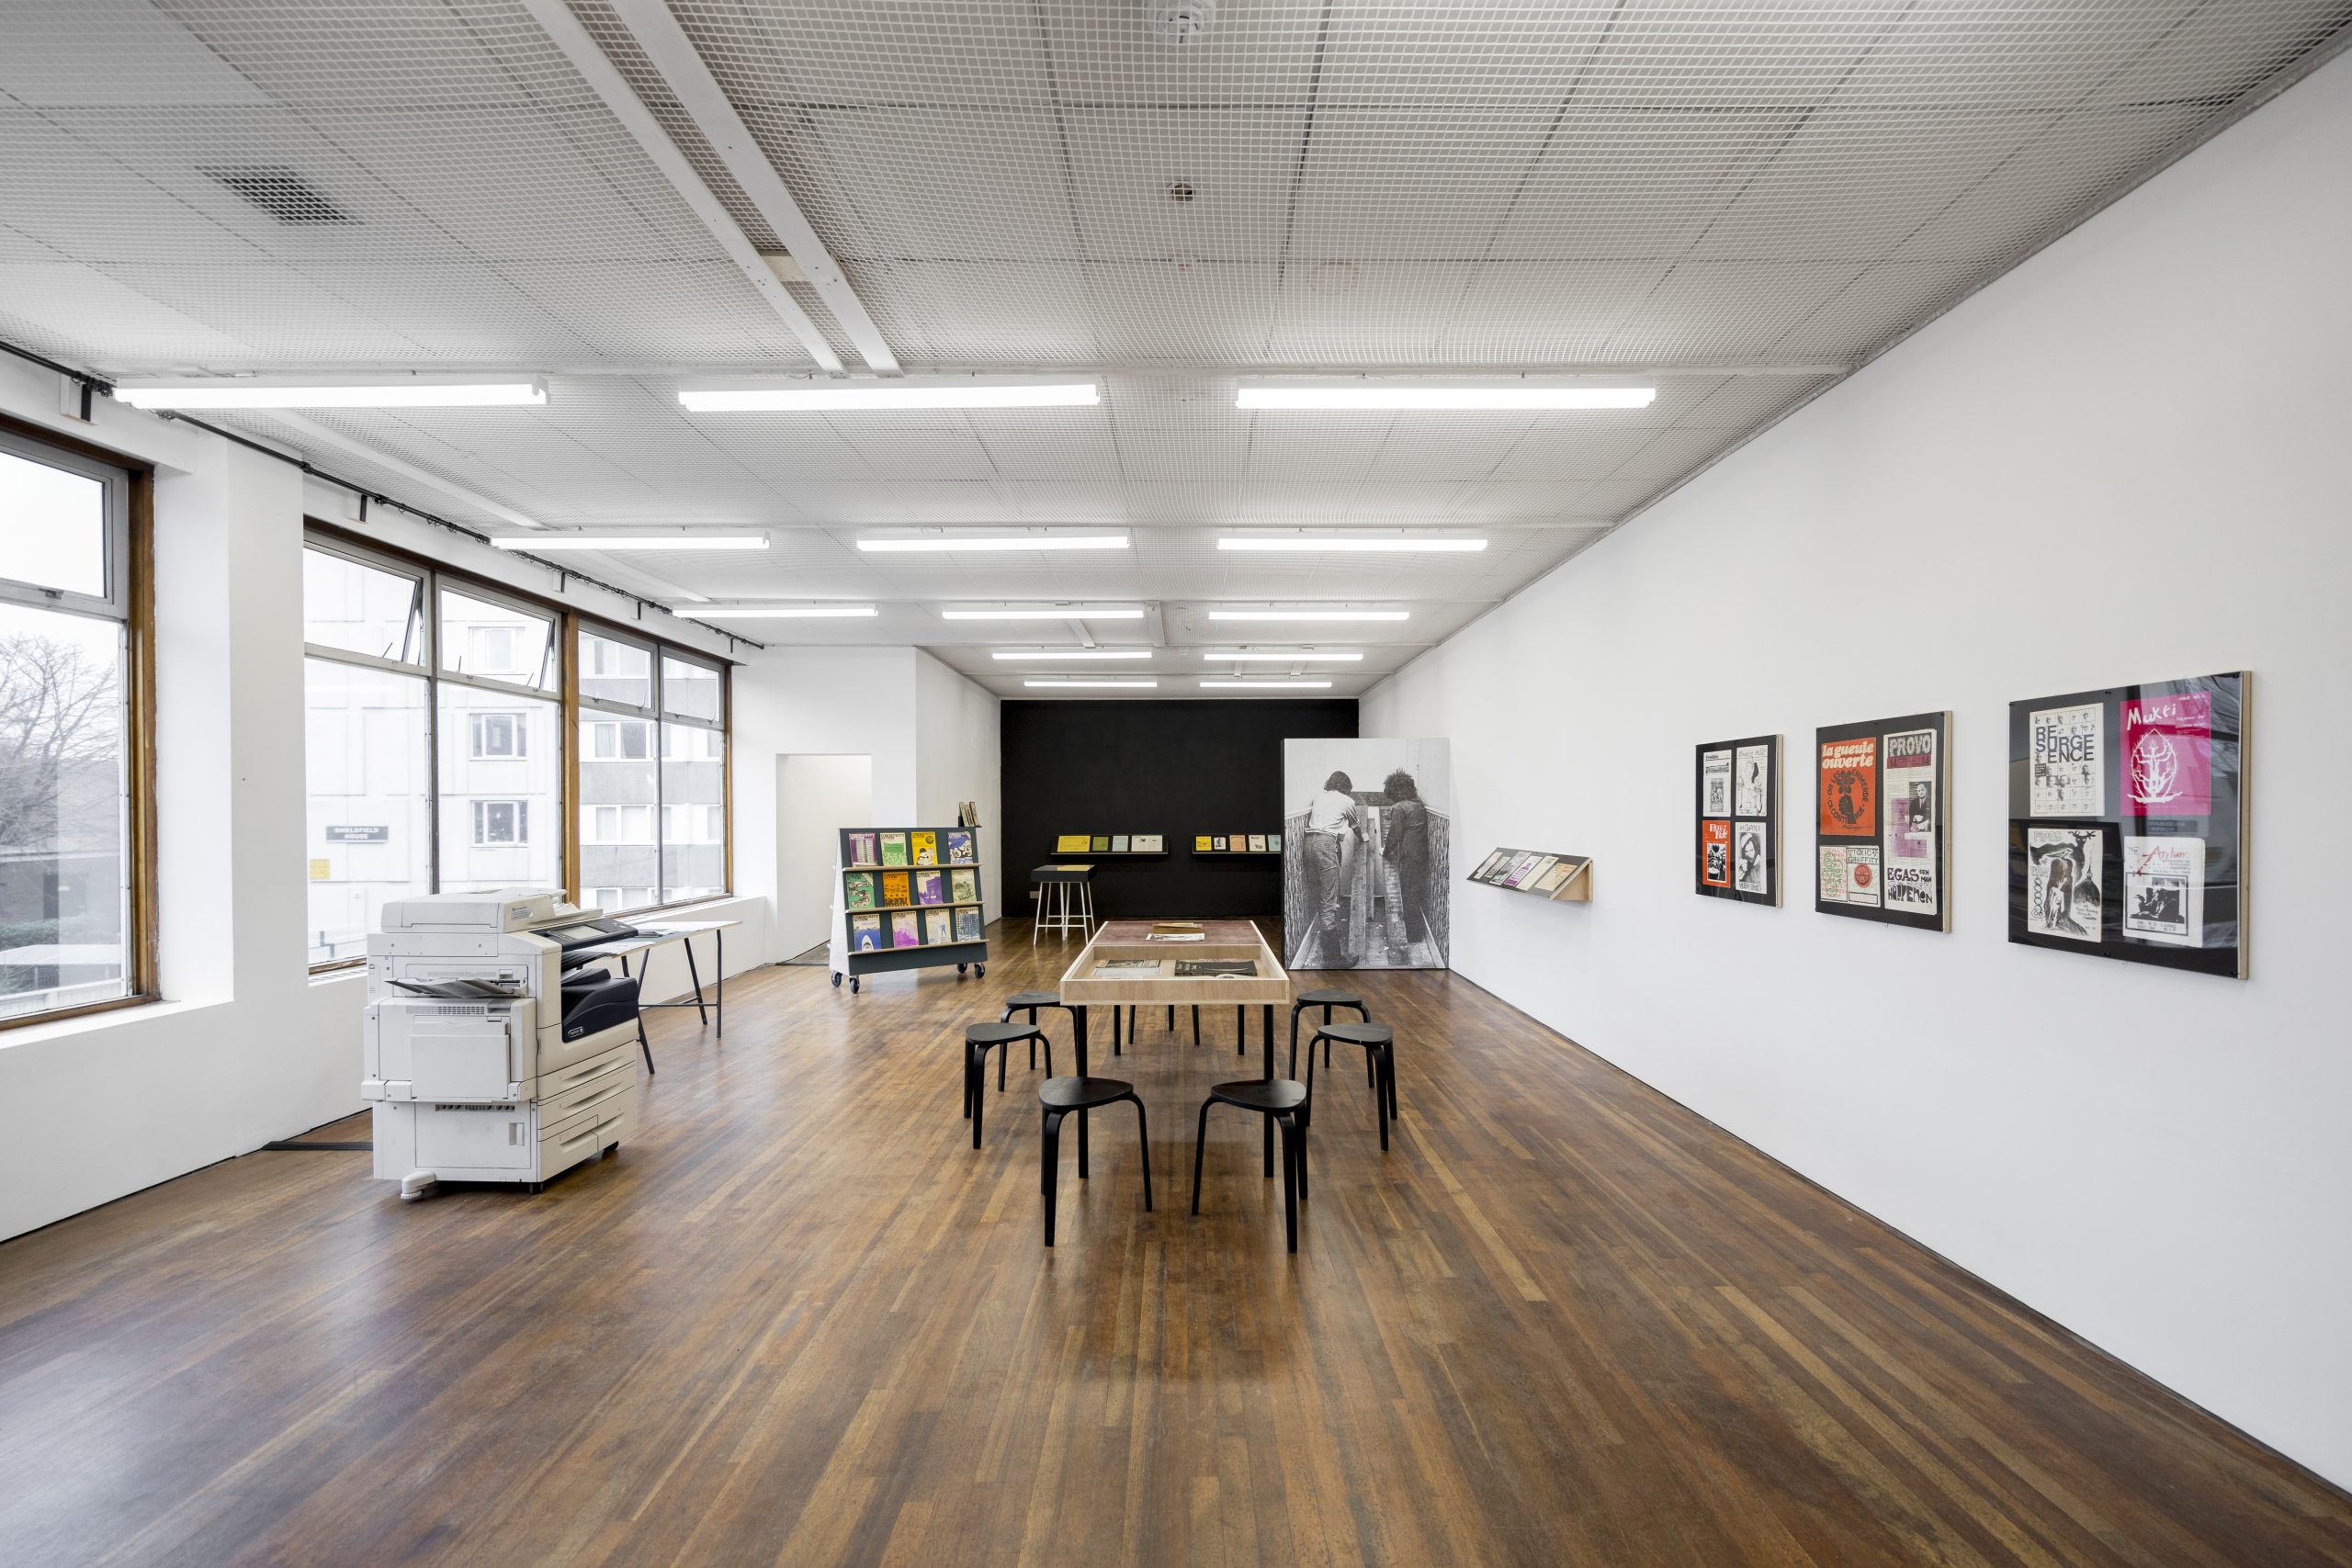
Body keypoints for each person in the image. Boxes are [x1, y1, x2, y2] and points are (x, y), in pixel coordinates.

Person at [1302, 771, 1362, 962]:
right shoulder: (1347, 801)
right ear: (1345, 786)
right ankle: (1333, 958)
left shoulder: (1319, 795)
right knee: (1329, 900)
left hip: (1309, 843)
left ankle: (1329, 942)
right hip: (1326, 845)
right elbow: (1355, 826)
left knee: (1320, 894)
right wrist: (1363, 837)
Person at [1383, 769, 1434, 956]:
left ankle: (1412, 935)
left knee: (1408, 893)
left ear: (1393, 790)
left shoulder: (1399, 808)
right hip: (1421, 854)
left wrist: (1385, 851)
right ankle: (1416, 932)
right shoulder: (1418, 804)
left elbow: (1394, 834)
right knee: (1416, 892)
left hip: (1408, 855)